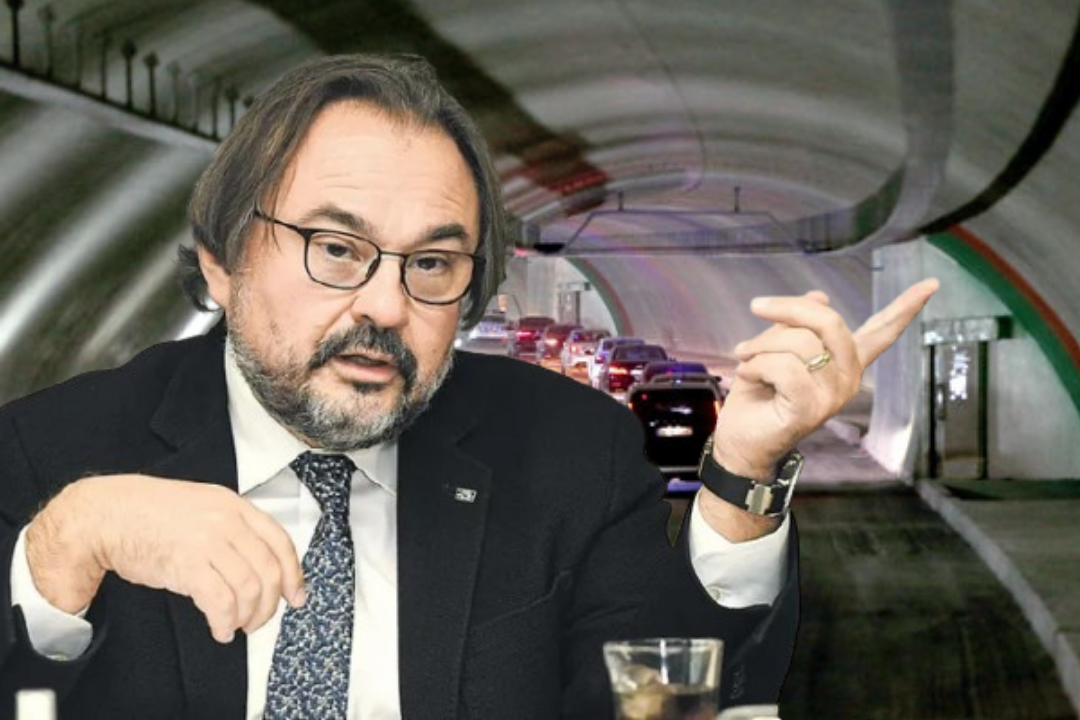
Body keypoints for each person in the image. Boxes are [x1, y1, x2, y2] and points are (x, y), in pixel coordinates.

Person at [0, 54, 938, 719]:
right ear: (220, 261)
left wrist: (739, 476)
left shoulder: (571, 453)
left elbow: (663, 697)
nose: (387, 305)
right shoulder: (52, 455)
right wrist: (61, 555)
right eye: (337, 249)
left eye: (433, 264)